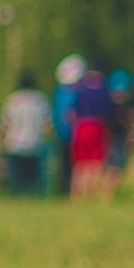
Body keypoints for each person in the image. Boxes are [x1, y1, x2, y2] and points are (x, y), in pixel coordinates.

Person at [70, 64, 117, 199]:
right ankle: (89, 193)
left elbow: (72, 112)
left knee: (80, 162)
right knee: (95, 162)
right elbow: (109, 112)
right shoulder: (104, 91)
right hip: (98, 126)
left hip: (81, 126)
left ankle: (76, 194)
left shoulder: (80, 90)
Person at [1, 70, 51, 197]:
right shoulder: (40, 100)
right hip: (35, 143)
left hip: (15, 142)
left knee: (17, 178)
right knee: (33, 177)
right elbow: (47, 125)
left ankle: (17, 196)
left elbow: (5, 124)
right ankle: (33, 196)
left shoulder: (13, 100)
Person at [50, 54, 85, 196]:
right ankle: (71, 191)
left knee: (64, 165)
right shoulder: (75, 92)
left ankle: (64, 190)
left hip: (62, 133)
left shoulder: (59, 92)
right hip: (73, 134)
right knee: (73, 165)